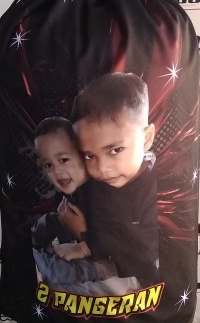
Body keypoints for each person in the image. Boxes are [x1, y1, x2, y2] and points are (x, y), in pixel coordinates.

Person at [64, 72, 160, 288]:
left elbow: (144, 258)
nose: (102, 169)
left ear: (146, 138)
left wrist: (85, 238)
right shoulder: (90, 184)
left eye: (115, 150)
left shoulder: (162, 191)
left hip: (139, 299)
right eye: (89, 155)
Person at [31, 116, 117, 285]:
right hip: (79, 236)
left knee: (60, 272)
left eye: (63, 160)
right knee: (48, 222)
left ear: (84, 154)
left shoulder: (102, 194)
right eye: (48, 165)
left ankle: (48, 263)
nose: (57, 171)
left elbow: (117, 239)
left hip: (106, 255)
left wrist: (83, 247)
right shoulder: (77, 189)